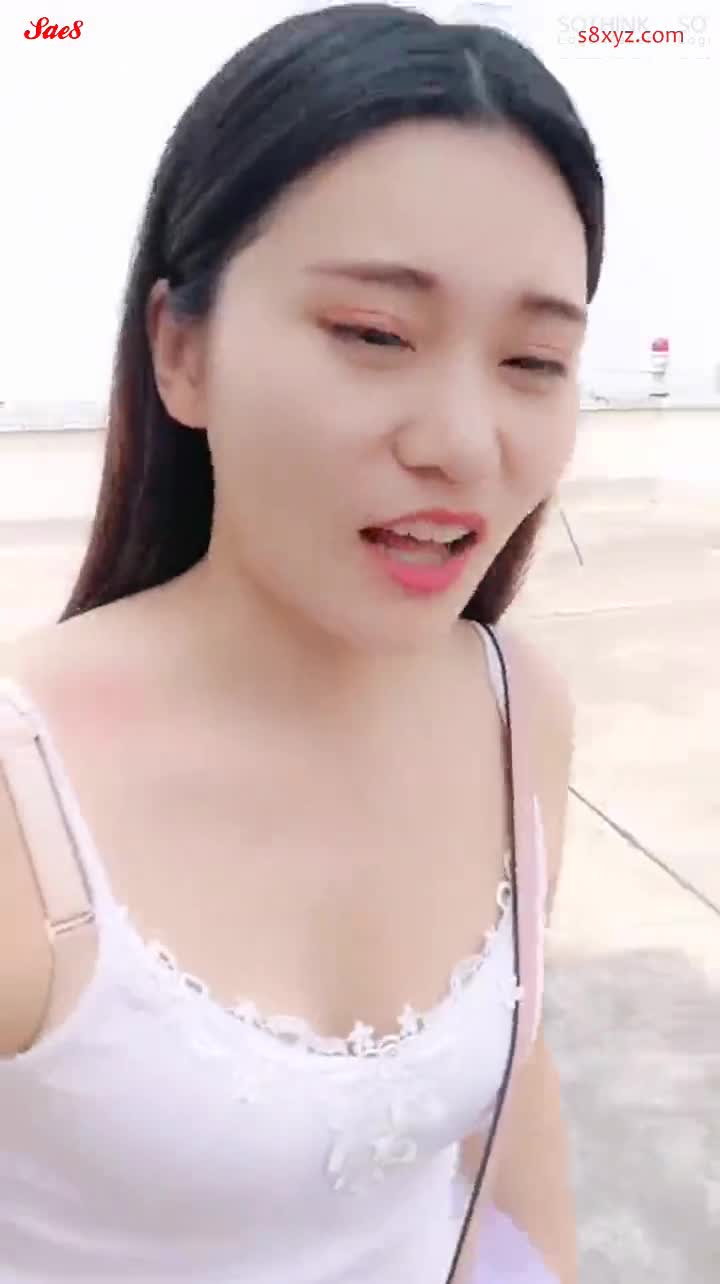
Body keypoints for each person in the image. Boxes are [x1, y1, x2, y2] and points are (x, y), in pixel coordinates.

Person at [0, 5, 604, 1281]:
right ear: (181, 351)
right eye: (375, 335)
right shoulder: (23, 805)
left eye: (534, 359)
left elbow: (514, 1098)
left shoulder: (518, 712)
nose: (462, 443)